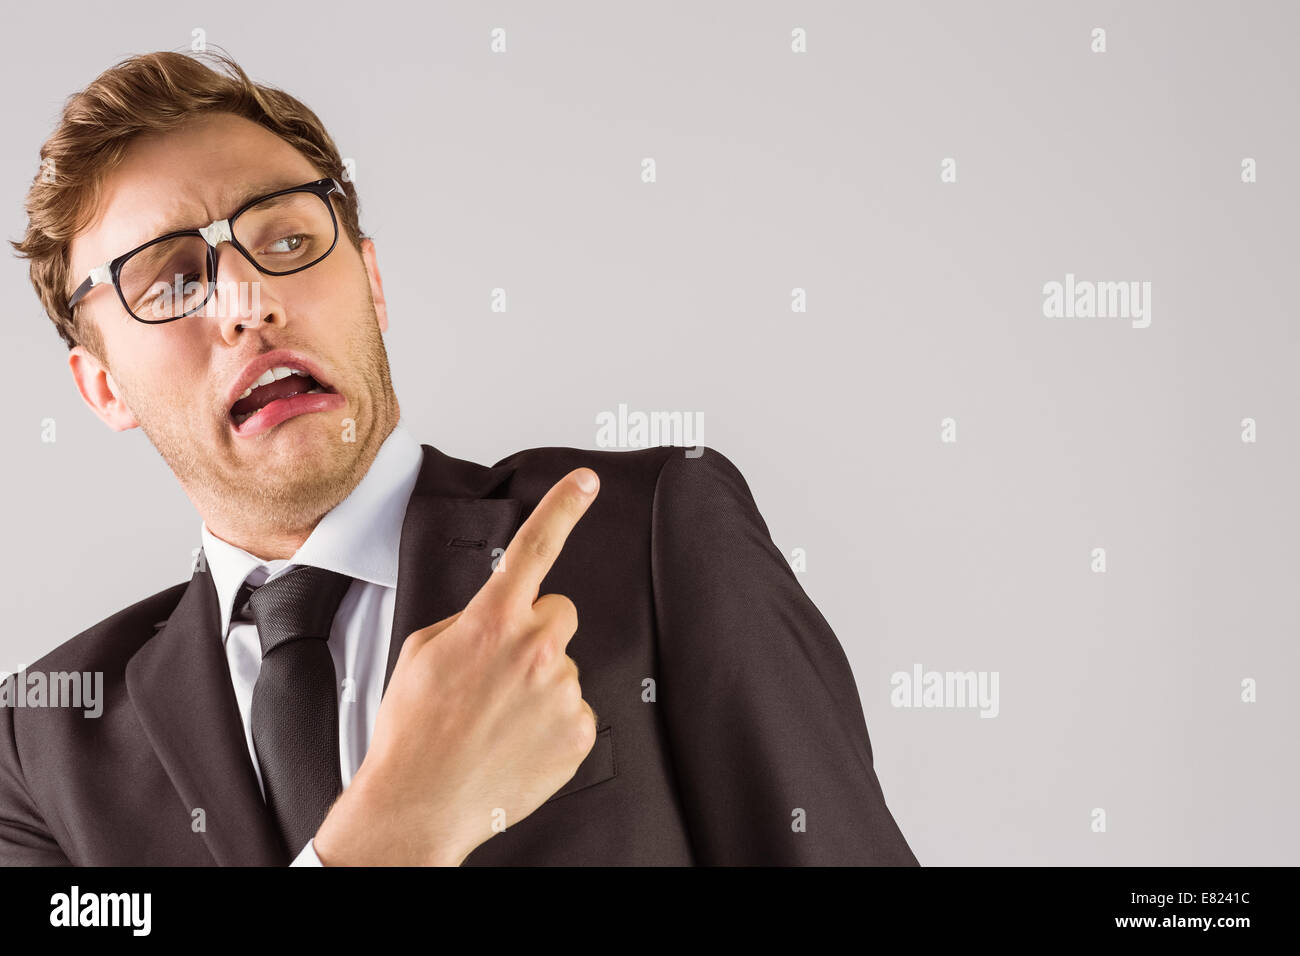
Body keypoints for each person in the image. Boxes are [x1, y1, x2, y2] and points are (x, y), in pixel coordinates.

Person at [1, 50, 918, 866]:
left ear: (372, 280)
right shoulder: (39, 747)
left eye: (285, 238)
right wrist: (399, 832)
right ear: (103, 387)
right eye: (171, 280)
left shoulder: (649, 534)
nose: (249, 302)